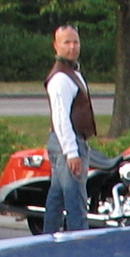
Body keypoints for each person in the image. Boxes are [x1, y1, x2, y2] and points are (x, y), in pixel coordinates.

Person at [44, 24, 99, 234]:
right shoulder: (61, 78)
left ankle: (48, 242)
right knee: (75, 201)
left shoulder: (71, 72)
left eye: (76, 42)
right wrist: (71, 152)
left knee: (57, 198)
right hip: (68, 142)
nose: (72, 47)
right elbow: (61, 119)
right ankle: (79, 246)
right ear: (56, 46)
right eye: (67, 42)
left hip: (69, 142)